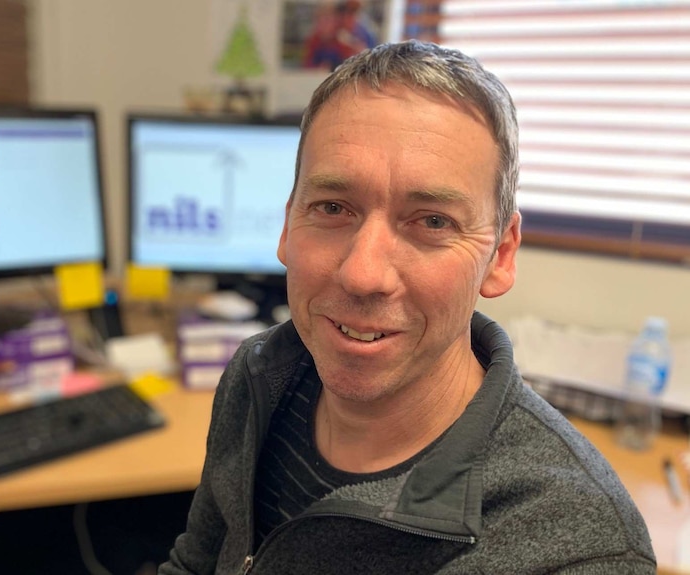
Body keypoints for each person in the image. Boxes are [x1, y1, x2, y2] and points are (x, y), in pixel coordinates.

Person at [159, 40, 655, 574]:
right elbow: (196, 563)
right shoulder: (258, 377)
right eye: (332, 207)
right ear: (287, 223)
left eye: (433, 221)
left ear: (500, 256)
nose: (362, 273)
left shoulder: (577, 547)